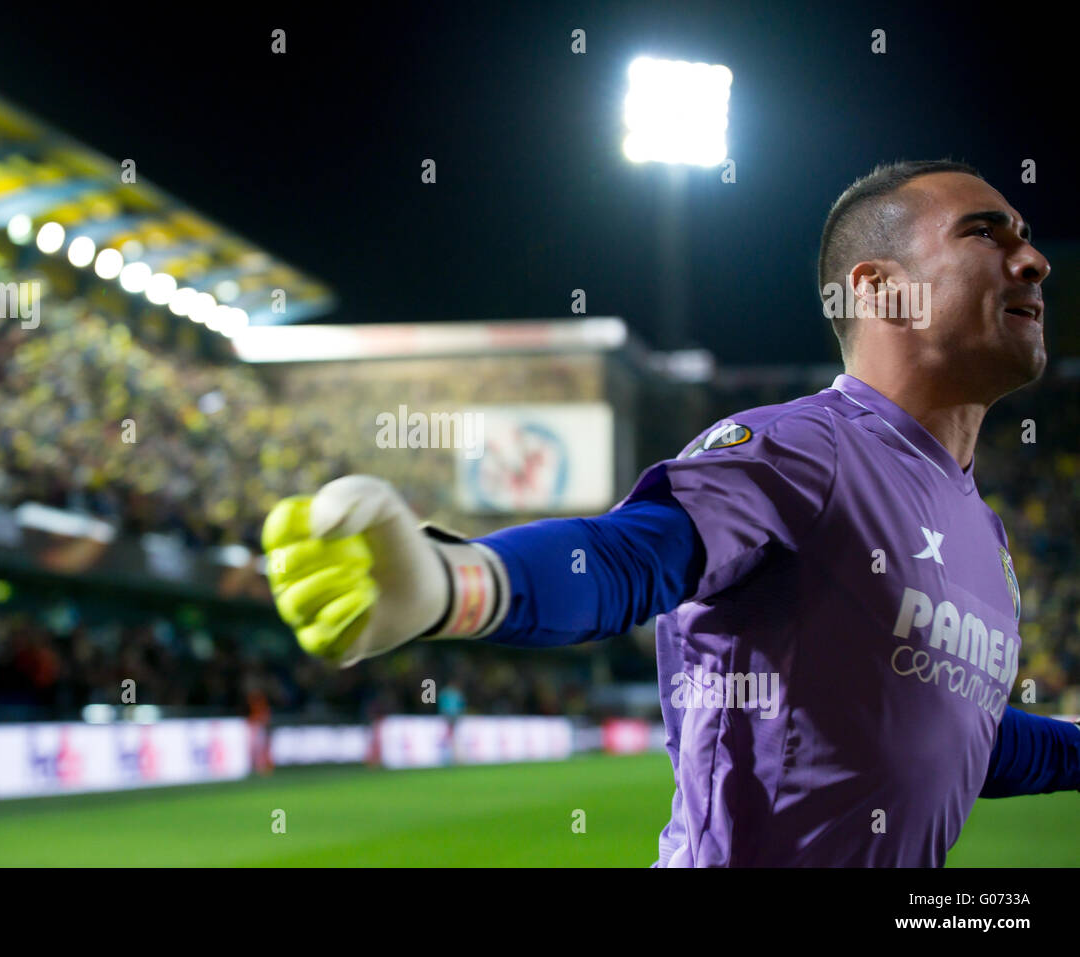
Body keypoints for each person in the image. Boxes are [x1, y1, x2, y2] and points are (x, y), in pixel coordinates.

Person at [261, 160, 1080, 867]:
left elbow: (957, 737)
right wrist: (455, 582)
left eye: (1027, 236)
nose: (1033, 260)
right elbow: (631, 556)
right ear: (880, 287)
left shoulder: (986, 533)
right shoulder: (804, 449)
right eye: (987, 233)